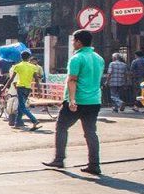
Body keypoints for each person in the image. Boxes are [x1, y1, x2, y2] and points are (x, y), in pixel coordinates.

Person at [43, 30, 105, 175]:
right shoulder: (99, 58)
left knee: (61, 127)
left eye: (73, 41)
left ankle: (59, 159)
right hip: (94, 100)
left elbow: (72, 80)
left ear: (78, 42)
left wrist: (72, 100)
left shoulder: (76, 58)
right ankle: (94, 164)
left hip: (78, 100)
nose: (72, 44)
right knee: (90, 132)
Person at [5, 51, 42, 130]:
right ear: (29, 58)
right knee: (20, 106)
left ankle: (34, 120)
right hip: (28, 88)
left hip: (20, 87)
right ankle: (17, 123)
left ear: (21, 57)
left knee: (22, 107)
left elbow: (11, 79)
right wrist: (39, 90)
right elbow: (36, 79)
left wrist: (5, 88)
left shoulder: (17, 66)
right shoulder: (33, 67)